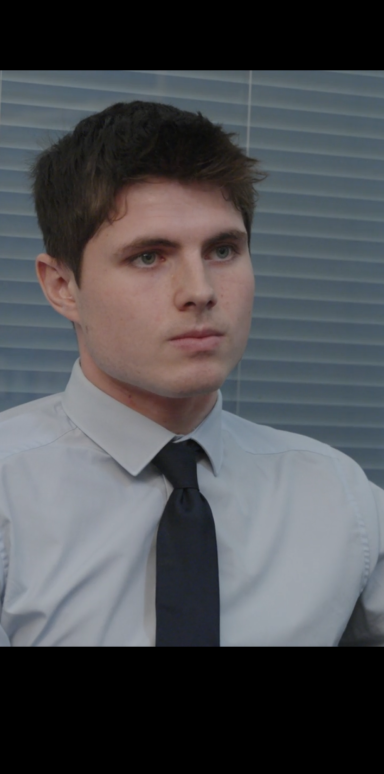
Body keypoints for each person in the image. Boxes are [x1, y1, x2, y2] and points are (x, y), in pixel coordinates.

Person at [0, 101, 383, 647]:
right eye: (149, 257)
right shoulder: (8, 499)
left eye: (223, 249)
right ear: (62, 287)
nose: (200, 290)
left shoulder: (341, 499)